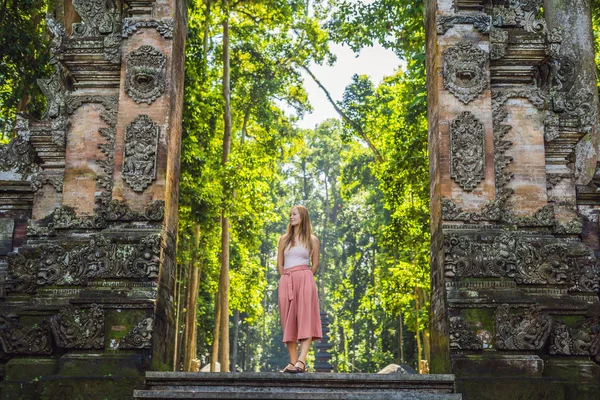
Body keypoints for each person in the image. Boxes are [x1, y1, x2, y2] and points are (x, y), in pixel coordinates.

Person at [277, 205, 322, 373]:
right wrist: (285, 277)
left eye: (294, 214)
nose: (291, 216)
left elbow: (315, 263)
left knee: (305, 319)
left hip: (305, 278)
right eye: (290, 214)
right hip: (286, 280)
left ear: (303, 217)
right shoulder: (284, 239)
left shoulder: (312, 239)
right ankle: (293, 361)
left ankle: (302, 361)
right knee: (288, 321)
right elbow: (280, 263)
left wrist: (306, 276)